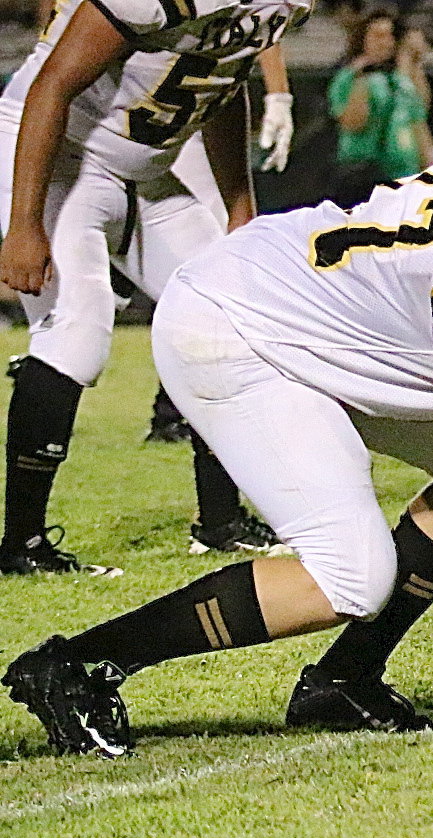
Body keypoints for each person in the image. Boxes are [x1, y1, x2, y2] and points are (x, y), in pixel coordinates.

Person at [1, 97, 433, 758]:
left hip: (303, 291)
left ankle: (344, 678)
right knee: (356, 572)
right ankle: (78, 663)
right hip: (237, 326)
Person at [0, 0, 313, 575]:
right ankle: (22, 545)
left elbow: (222, 83)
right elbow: (50, 88)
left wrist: (239, 208)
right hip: (58, 155)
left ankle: (220, 522)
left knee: (229, 322)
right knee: (76, 334)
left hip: (145, 170)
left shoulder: (280, 6)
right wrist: (24, 224)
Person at [328, 7, 433, 209]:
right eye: (377, 36)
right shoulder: (349, 77)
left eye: (389, 36)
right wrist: (362, 77)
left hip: (403, 175)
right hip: (365, 175)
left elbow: (418, 117)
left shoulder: (401, 80)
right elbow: (353, 122)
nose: (384, 42)